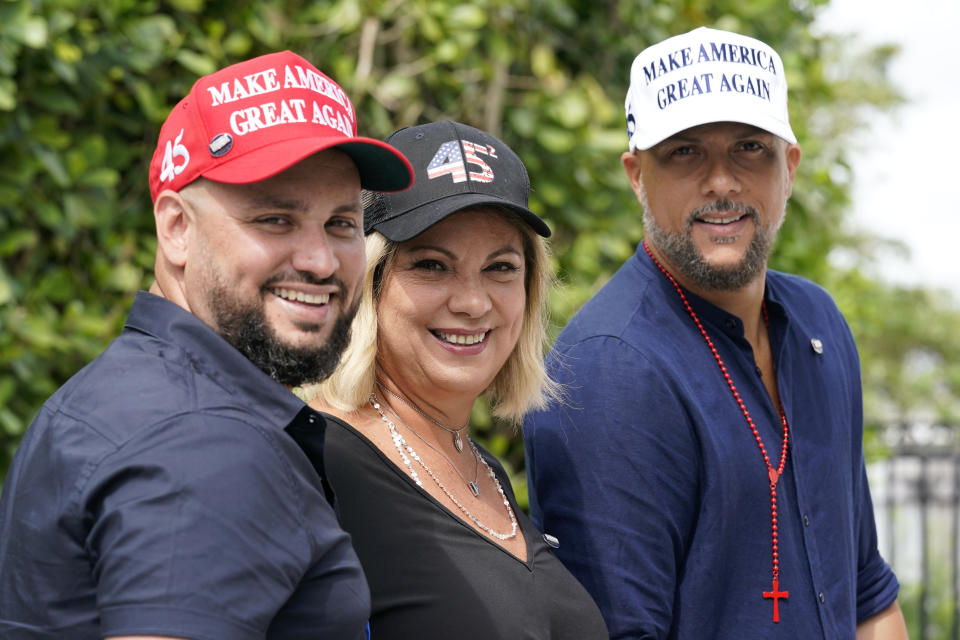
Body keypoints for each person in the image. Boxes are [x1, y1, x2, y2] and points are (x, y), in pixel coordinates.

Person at [0, 51, 413, 639]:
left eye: (341, 223)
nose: (321, 261)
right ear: (176, 229)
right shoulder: (205, 441)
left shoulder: (113, 397)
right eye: (275, 219)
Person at [522, 27, 909, 639]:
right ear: (636, 175)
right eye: (684, 152)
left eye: (749, 148)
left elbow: (867, 596)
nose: (722, 182)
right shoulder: (607, 372)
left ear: (790, 167)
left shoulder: (819, 324)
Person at [300, 120, 608, 639]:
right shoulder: (315, 465)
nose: (472, 302)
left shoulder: (483, 469)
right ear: (370, 281)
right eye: (433, 266)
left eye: (501, 268)